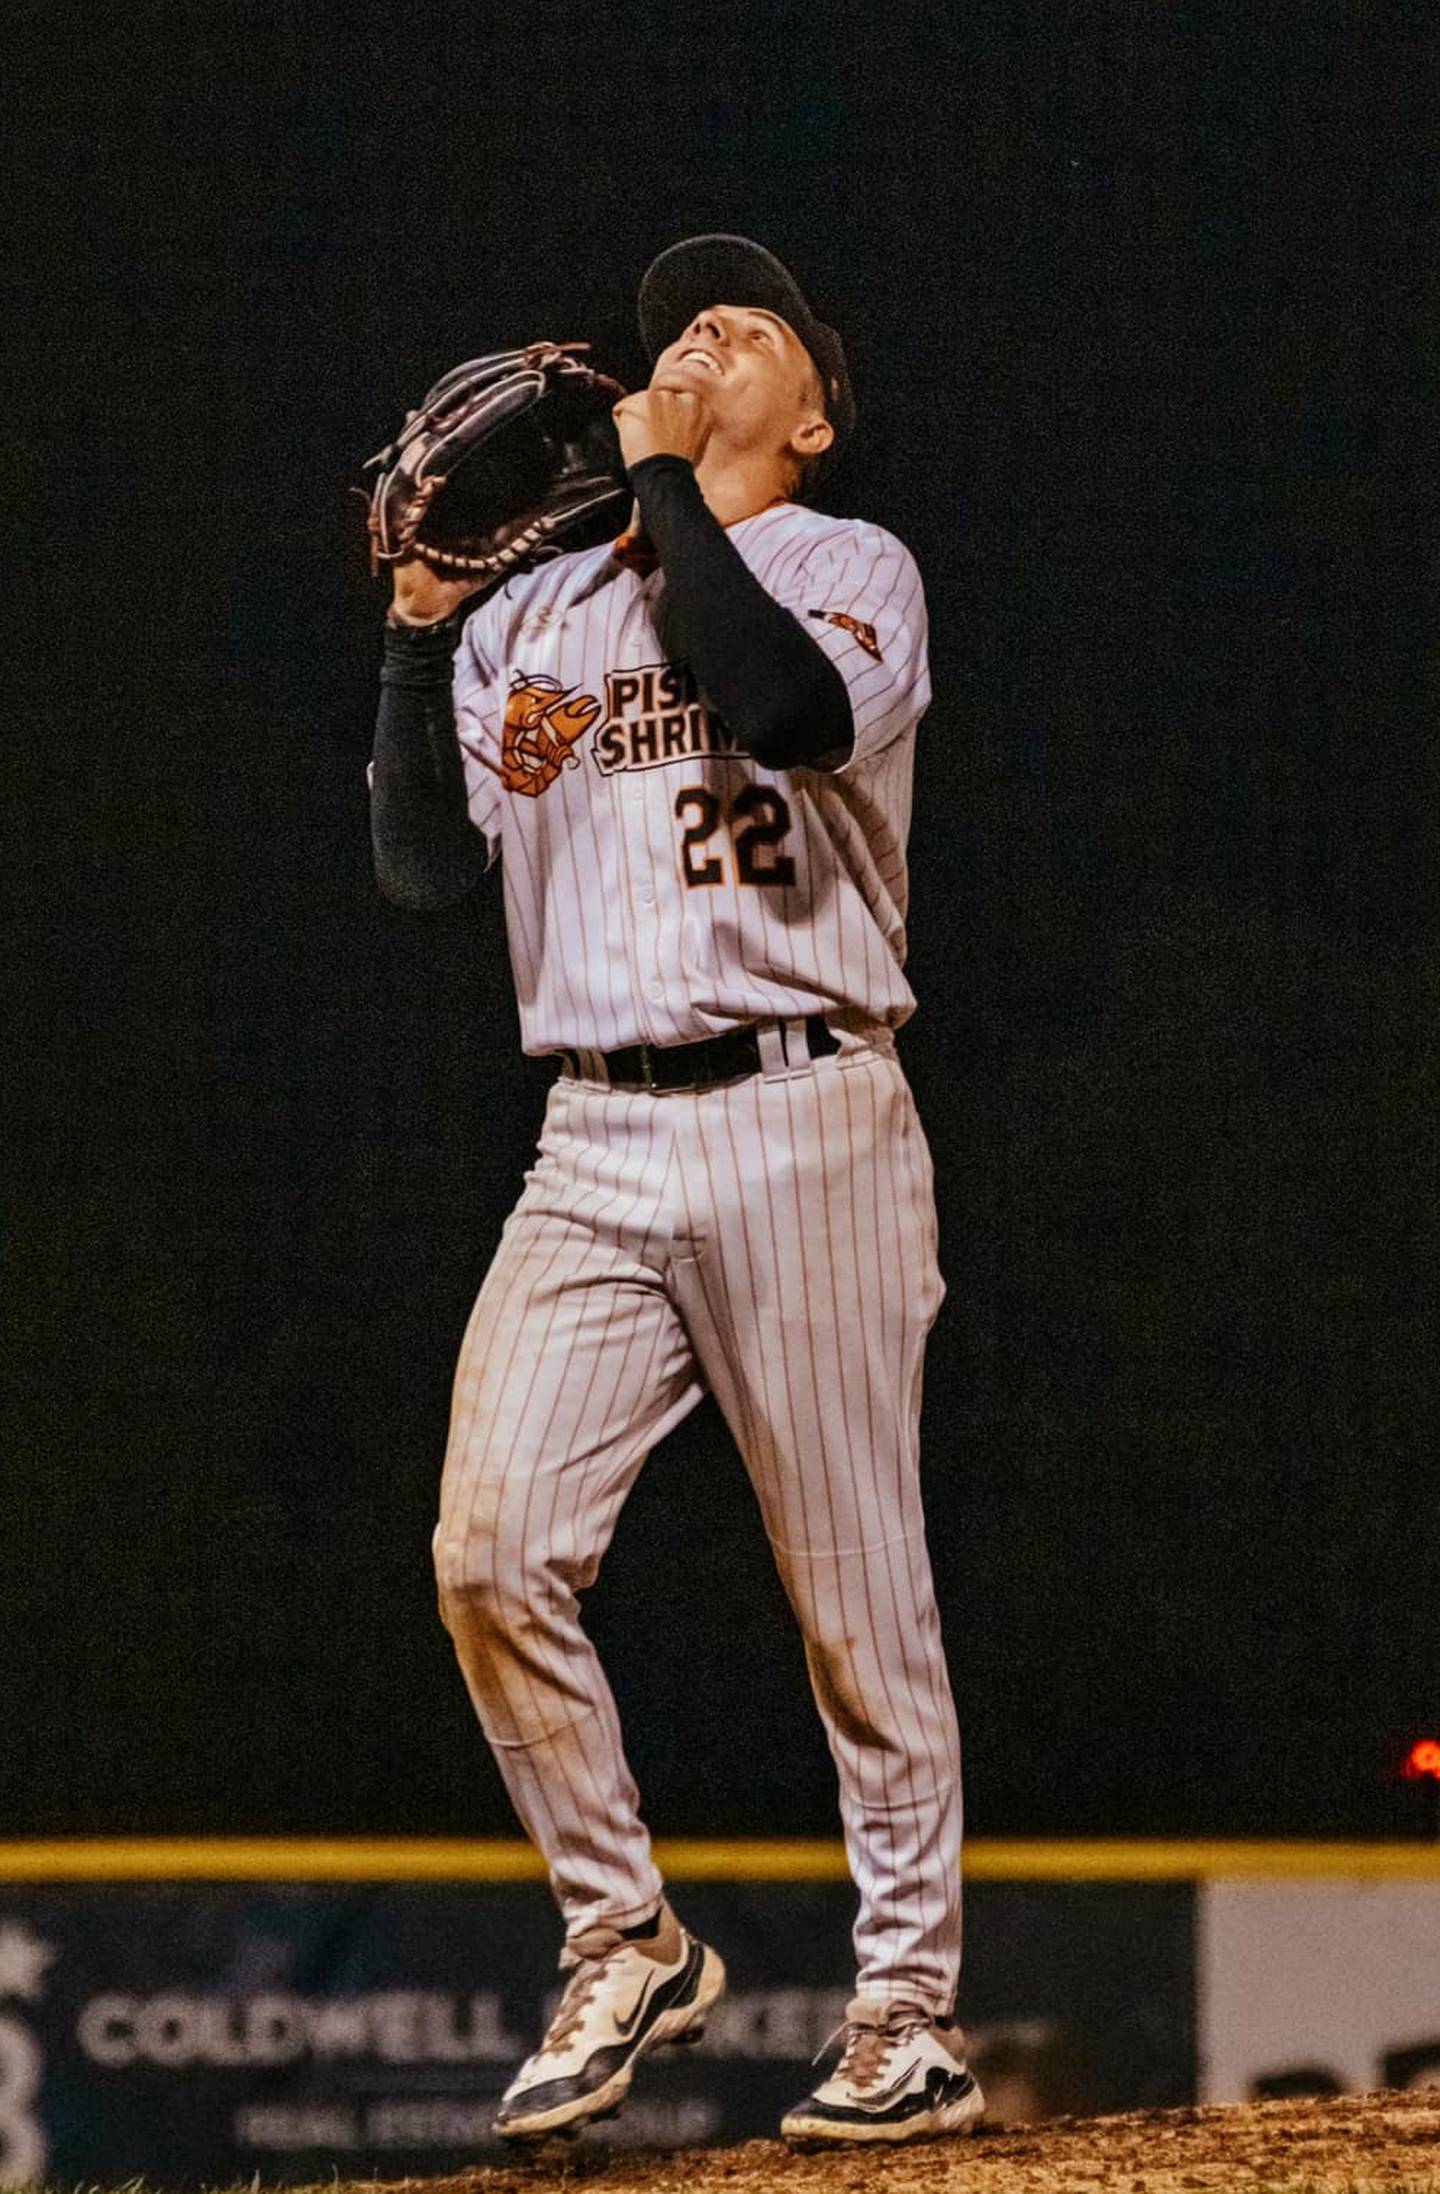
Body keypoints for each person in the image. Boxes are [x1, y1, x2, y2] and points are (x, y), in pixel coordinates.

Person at [368, 232, 983, 2147]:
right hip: (595, 1134)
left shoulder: (849, 567)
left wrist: (653, 480)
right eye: (679, 323)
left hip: (808, 1113)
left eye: (749, 323)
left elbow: (784, 715)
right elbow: (418, 866)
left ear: (809, 415)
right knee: (488, 1549)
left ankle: (906, 2010)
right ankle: (621, 1931)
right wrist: (411, 623)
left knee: (853, 1589)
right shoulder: (530, 628)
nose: (700, 329)